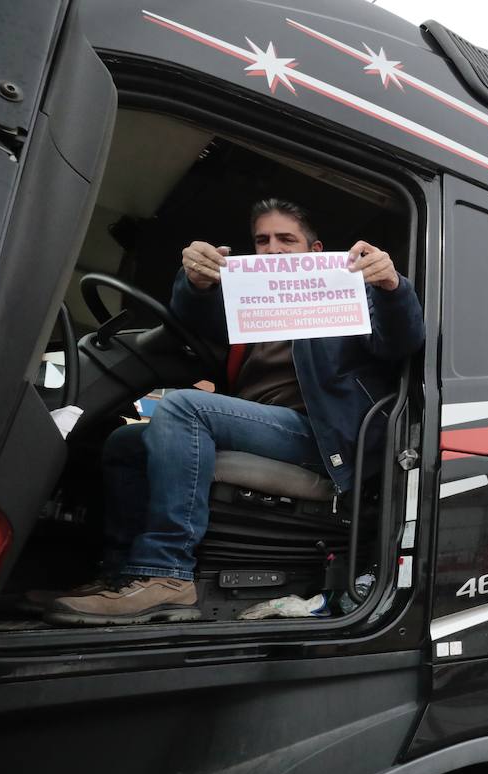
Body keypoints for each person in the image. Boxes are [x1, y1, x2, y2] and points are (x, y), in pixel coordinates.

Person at [38, 199, 424, 625]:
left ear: (315, 251)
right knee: (124, 442)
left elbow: (401, 341)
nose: (272, 249)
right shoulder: (252, 300)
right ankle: (120, 575)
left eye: (286, 239)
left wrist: (392, 288)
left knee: (184, 407)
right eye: (262, 240)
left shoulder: (345, 295)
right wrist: (195, 281)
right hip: (257, 424)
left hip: (322, 436)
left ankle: (166, 573)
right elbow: (197, 321)